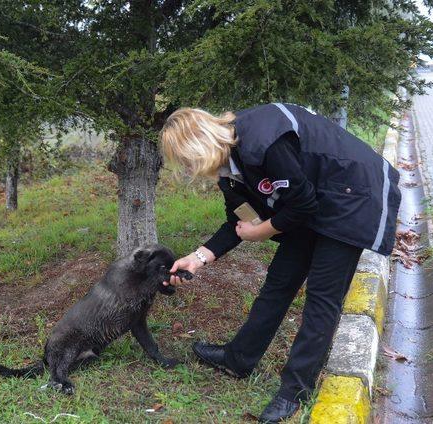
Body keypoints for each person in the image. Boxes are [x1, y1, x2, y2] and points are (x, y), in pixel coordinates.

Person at [160, 103, 401, 423]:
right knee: (279, 282)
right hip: (313, 199)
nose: (189, 171)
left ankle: (294, 390)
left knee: (322, 296)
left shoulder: (263, 140)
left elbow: (300, 205)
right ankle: (239, 358)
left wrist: (260, 232)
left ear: (199, 145)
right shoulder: (229, 172)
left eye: (187, 161)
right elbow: (239, 219)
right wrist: (197, 257)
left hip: (352, 194)